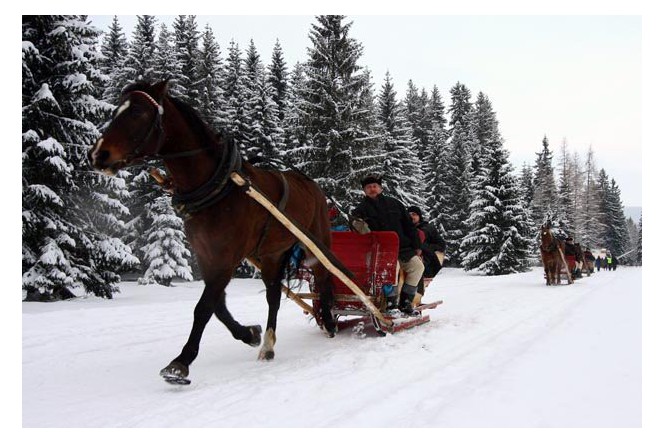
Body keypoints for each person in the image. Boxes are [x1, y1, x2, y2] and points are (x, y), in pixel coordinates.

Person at [351, 175, 424, 315]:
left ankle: (406, 302)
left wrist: (417, 246)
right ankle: (391, 304)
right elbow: (357, 229)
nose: (372, 189)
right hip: (381, 251)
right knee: (392, 269)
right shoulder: (360, 209)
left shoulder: (395, 204)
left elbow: (409, 226)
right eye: (368, 187)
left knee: (418, 267)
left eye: (375, 186)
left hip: (403, 248)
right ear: (364, 191)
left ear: (380, 188)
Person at [407, 206, 446, 302]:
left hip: (426, 259)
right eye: (409, 214)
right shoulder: (405, 228)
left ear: (419, 216)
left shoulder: (428, 228)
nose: (411, 217)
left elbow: (441, 245)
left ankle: (413, 298)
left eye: (414, 214)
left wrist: (424, 247)